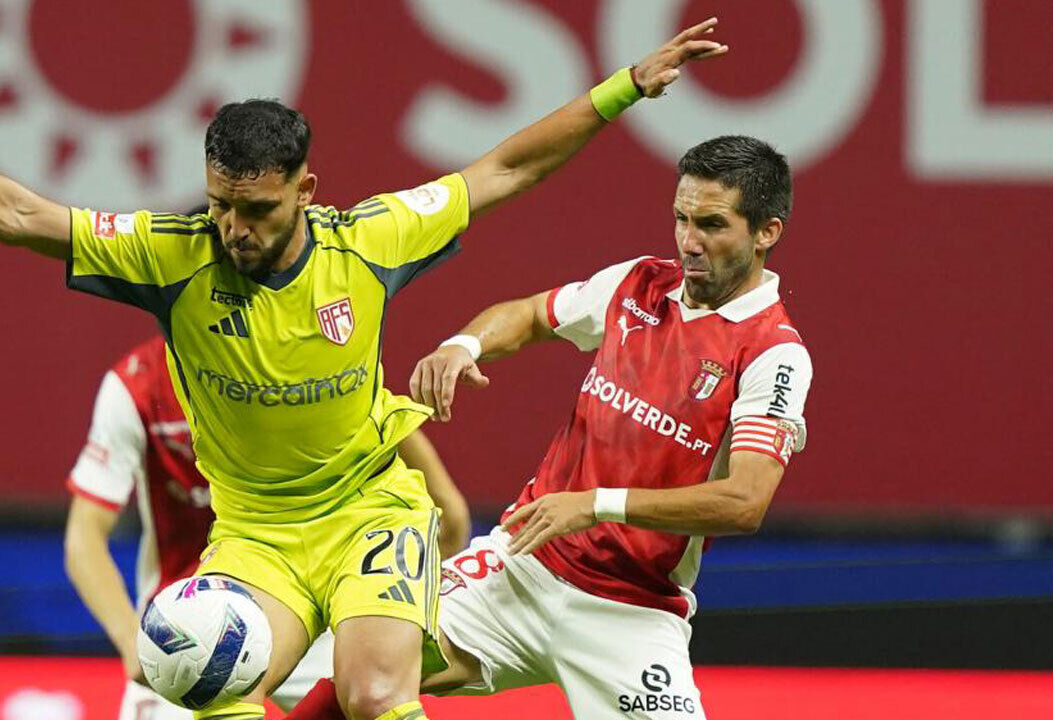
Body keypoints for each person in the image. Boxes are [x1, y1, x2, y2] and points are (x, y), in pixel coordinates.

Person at [0, 18, 726, 720]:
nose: (234, 229)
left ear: (305, 190)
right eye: (221, 204)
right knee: (206, 686)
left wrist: (622, 89)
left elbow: (506, 169)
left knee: (375, 694)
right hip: (256, 537)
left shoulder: (370, 240)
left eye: (255, 210)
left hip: (370, 512)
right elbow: (19, 215)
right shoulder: (170, 255)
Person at [287, 135, 812, 720]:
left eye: (712, 225)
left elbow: (744, 502)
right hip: (520, 562)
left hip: (631, 611)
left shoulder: (773, 353)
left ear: (766, 232)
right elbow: (531, 314)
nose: (689, 242)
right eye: (681, 219)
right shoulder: (638, 284)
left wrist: (595, 505)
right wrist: (464, 345)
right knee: (360, 672)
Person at [63, 336, 469, 720]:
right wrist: (131, 641)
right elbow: (84, 539)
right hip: (186, 634)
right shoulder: (137, 386)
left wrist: (390, 604)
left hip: (316, 619)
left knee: (375, 696)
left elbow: (450, 515)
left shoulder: (304, 358)